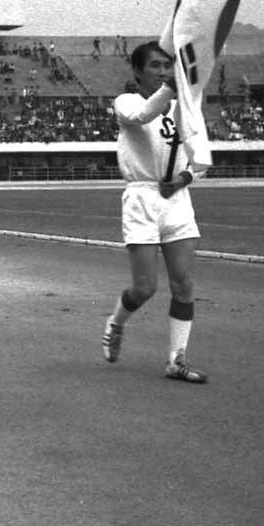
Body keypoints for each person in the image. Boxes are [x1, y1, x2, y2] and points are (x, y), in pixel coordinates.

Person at [101, 41, 207, 383]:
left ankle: (177, 360)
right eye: (155, 66)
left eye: (167, 65)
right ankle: (116, 322)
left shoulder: (185, 107)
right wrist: (169, 88)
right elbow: (143, 115)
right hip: (142, 198)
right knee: (145, 288)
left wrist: (184, 178)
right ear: (137, 71)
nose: (162, 70)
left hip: (177, 199)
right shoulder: (126, 102)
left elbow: (202, 157)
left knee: (184, 284)